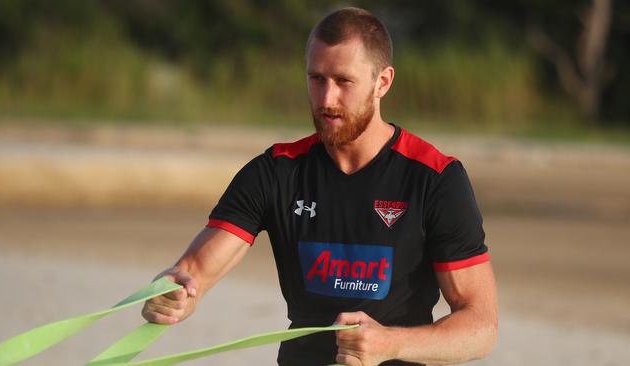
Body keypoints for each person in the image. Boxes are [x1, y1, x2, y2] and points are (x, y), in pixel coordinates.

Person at [142, 7, 497, 366]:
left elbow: (481, 327)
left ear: (383, 82)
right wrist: (174, 293)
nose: (326, 99)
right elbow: (194, 272)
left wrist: (389, 343)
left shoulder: (435, 177)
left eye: (343, 81)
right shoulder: (275, 172)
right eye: (316, 79)